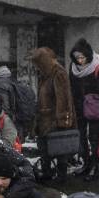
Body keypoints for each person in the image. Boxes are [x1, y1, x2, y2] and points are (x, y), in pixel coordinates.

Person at [68, 38, 99, 181]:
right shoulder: (73, 68)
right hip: (79, 107)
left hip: (95, 108)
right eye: (77, 58)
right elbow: (71, 89)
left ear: (88, 55)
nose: (80, 61)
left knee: (94, 138)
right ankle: (86, 164)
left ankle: (94, 166)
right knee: (81, 137)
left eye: (82, 57)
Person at [32, 47, 76, 183]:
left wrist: (62, 120)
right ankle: (47, 174)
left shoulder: (58, 73)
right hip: (45, 118)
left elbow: (63, 99)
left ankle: (61, 176)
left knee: (59, 148)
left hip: (54, 119)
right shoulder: (46, 74)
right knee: (45, 148)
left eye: (39, 63)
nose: (37, 67)